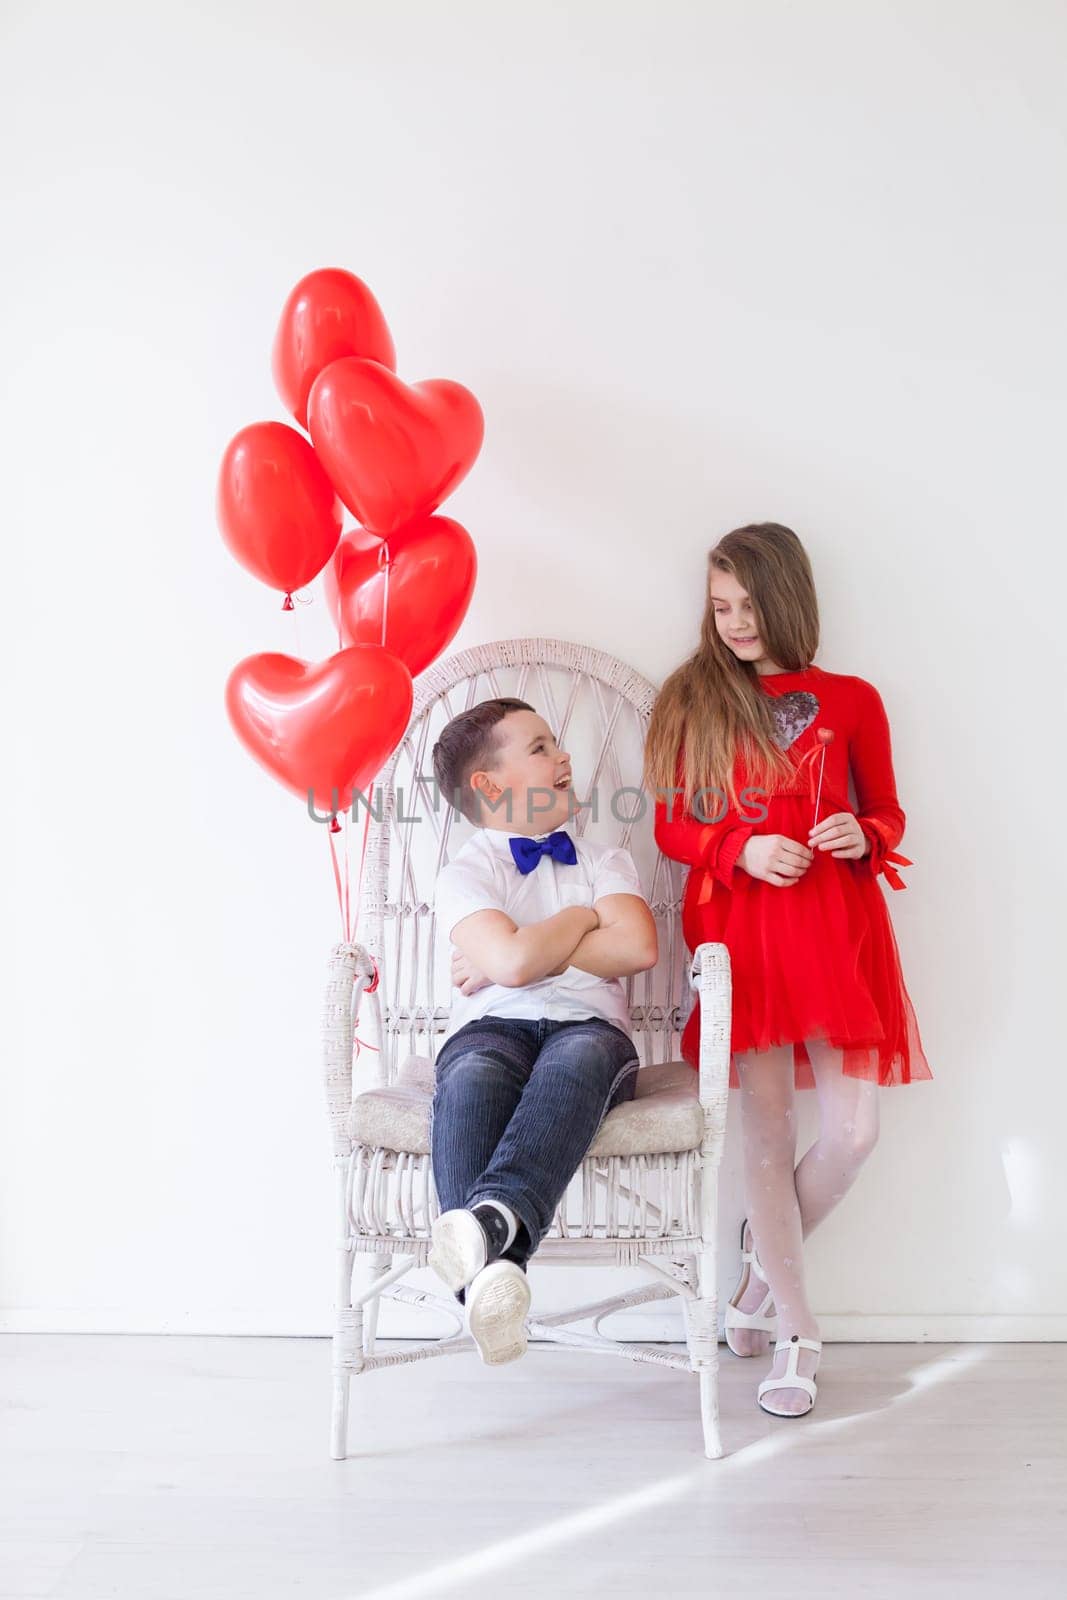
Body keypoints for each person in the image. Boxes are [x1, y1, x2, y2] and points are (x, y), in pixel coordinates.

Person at [644, 522, 932, 1418]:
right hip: (739, 925)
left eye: (747, 605)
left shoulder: (851, 698)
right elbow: (670, 826)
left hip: (835, 924)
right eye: (718, 605)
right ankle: (799, 1334)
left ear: (787, 599)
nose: (732, 623)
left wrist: (865, 835)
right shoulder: (693, 695)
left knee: (852, 1133)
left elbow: (884, 809)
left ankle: (757, 1270)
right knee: (765, 1139)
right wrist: (740, 846)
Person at [428, 697, 658, 1365]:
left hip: (588, 1028)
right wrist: (583, 920)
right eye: (539, 747)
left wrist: (524, 948)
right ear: (490, 786)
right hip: (489, 1027)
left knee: (577, 1056)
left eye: (557, 743)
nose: (563, 757)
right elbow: (512, 966)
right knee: (470, 1074)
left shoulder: (605, 859)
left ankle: (488, 1224)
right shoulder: (466, 871)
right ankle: (495, 1277)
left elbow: (636, 949)